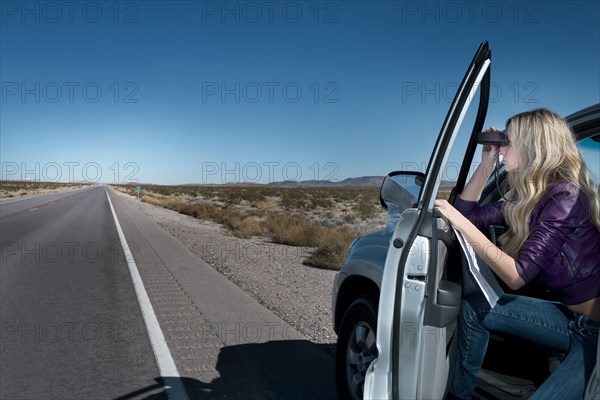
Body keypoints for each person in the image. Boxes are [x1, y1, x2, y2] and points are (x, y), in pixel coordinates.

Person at [435, 108, 600, 400]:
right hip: (570, 321)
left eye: (508, 142)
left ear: (532, 147)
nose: (502, 149)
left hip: (595, 334)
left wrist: (460, 224)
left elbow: (516, 276)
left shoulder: (566, 196)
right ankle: (458, 395)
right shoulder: (532, 198)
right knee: (477, 307)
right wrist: (486, 163)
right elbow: (467, 213)